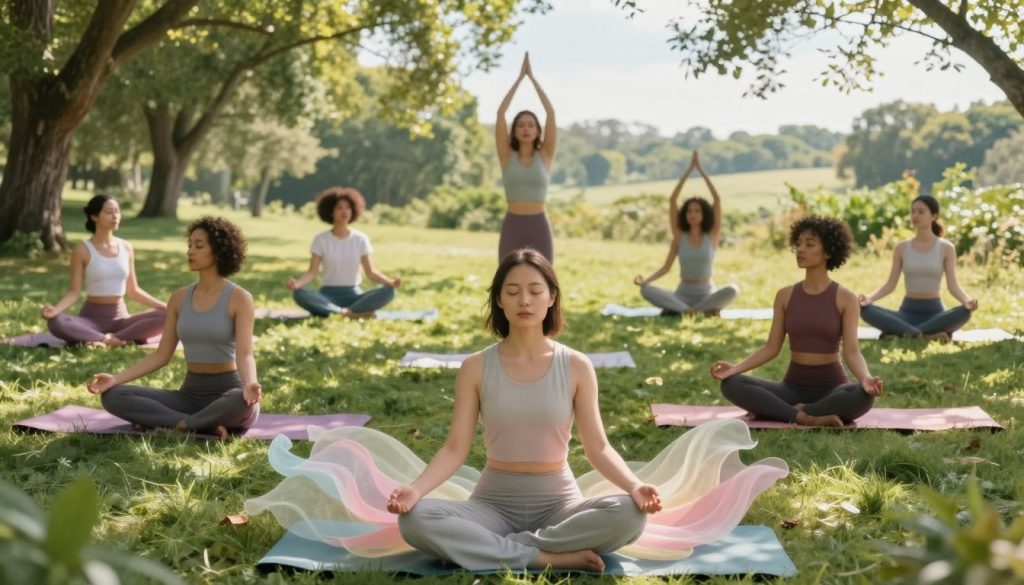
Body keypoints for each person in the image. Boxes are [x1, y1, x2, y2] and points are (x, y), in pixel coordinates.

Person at [244, 248, 789, 571]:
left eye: (535, 290)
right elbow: (456, 449)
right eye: (513, 291)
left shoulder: (576, 365)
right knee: (415, 521)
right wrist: (417, 489)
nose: (525, 300)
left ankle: (507, 552)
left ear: (551, 297)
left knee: (626, 517)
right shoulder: (477, 367)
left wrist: (631, 487)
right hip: (492, 501)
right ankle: (542, 558)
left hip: (560, 502)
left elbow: (597, 447)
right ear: (500, 301)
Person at [85, 217, 260, 438]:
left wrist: (250, 384)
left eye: (199, 246)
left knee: (241, 401)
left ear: (218, 250)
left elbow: (245, 355)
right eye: (189, 245)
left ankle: (178, 423)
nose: (190, 251)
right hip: (188, 396)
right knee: (112, 396)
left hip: (227, 395)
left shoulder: (240, 298)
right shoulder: (179, 298)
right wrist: (116, 379)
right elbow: (161, 355)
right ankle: (196, 424)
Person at [712, 215, 883, 427]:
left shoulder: (846, 298)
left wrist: (865, 378)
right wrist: (735, 369)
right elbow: (771, 348)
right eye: (798, 244)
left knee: (862, 395)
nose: (800, 249)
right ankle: (806, 417)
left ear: (828, 251)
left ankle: (783, 412)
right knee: (731, 384)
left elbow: (852, 351)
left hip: (832, 389)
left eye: (809, 244)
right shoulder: (785, 296)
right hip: (791, 389)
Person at [43, 195, 166, 346]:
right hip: (90, 320)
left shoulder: (126, 247)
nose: (115, 216)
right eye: (109, 212)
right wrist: (55, 310)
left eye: (117, 211)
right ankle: (110, 339)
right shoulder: (82, 250)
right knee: (56, 322)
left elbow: (133, 290)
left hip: (121, 319)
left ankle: (106, 338)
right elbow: (74, 292)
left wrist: (163, 306)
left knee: (168, 316)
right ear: (94, 216)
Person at [859, 195, 977, 342]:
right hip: (906, 313)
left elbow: (953, 286)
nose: (915, 215)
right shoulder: (901, 248)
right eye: (913, 211)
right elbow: (890, 285)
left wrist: (967, 301)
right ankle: (926, 334)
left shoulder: (946, 248)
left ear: (934, 215)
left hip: (935, 314)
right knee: (865, 311)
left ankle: (903, 333)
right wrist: (869, 298)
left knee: (964, 313)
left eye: (921, 212)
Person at [634, 151, 738, 316]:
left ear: (704, 214)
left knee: (733, 290)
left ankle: (683, 311)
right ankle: (691, 310)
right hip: (682, 295)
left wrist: (701, 170)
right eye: (689, 211)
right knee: (645, 290)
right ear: (685, 214)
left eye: (697, 211)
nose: (693, 214)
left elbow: (717, 200)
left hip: (707, 294)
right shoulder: (679, 237)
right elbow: (666, 268)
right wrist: (646, 281)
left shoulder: (712, 235)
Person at [288, 187, 399, 318]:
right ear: (331, 212)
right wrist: (297, 284)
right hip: (327, 296)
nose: (344, 211)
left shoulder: (360, 239)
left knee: (389, 292)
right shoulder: (321, 240)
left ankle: (339, 312)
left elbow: (371, 272)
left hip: (355, 296)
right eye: (339, 208)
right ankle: (349, 313)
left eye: (348, 208)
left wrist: (390, 282)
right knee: (299, 294)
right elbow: (312, 273)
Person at [495, 53, 557, 263]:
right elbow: (501, 114)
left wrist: (533, 79)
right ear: (513, 132)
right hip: (513, 224)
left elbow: (551, 114)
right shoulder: (506, 156)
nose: (526, 129)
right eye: (521, 125)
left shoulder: (546, 155)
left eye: (531, 125)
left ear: (538, 131)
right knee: (505, 279)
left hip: (538, 224)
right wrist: (520, 79)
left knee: (546, 282)